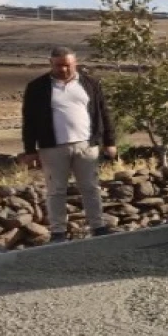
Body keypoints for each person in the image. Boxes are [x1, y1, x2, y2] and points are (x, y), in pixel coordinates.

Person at [20, 47, 117, 243]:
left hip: (86, 145)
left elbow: (103, 112)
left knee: (91, 187)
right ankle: (58, 232)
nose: (63, 69)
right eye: (59, 65)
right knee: (56, 190)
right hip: (52, 147)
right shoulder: (37, 87)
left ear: (75, 63)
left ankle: (98, 227)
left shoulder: (90, 83)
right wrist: (30, 150)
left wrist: (110, 142)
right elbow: (29, 120)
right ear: (51, 64)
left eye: (68, 65)